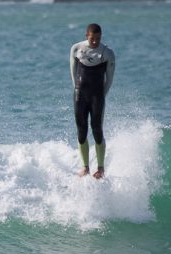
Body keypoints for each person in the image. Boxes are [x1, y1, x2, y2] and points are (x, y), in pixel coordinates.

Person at [69, 23, 115, 179]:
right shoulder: (76, 49)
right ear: (86, 36)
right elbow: (73, 72)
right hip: (79, 94)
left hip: (97, 96)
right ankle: (85, 167)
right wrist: (77, 90)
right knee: (81, 131)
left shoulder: (107, 53)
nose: (95, 42)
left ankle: (100, 168)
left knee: (97, 130)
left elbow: (109, 79)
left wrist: (102, 95)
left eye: (98, 38)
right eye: (92, 38)